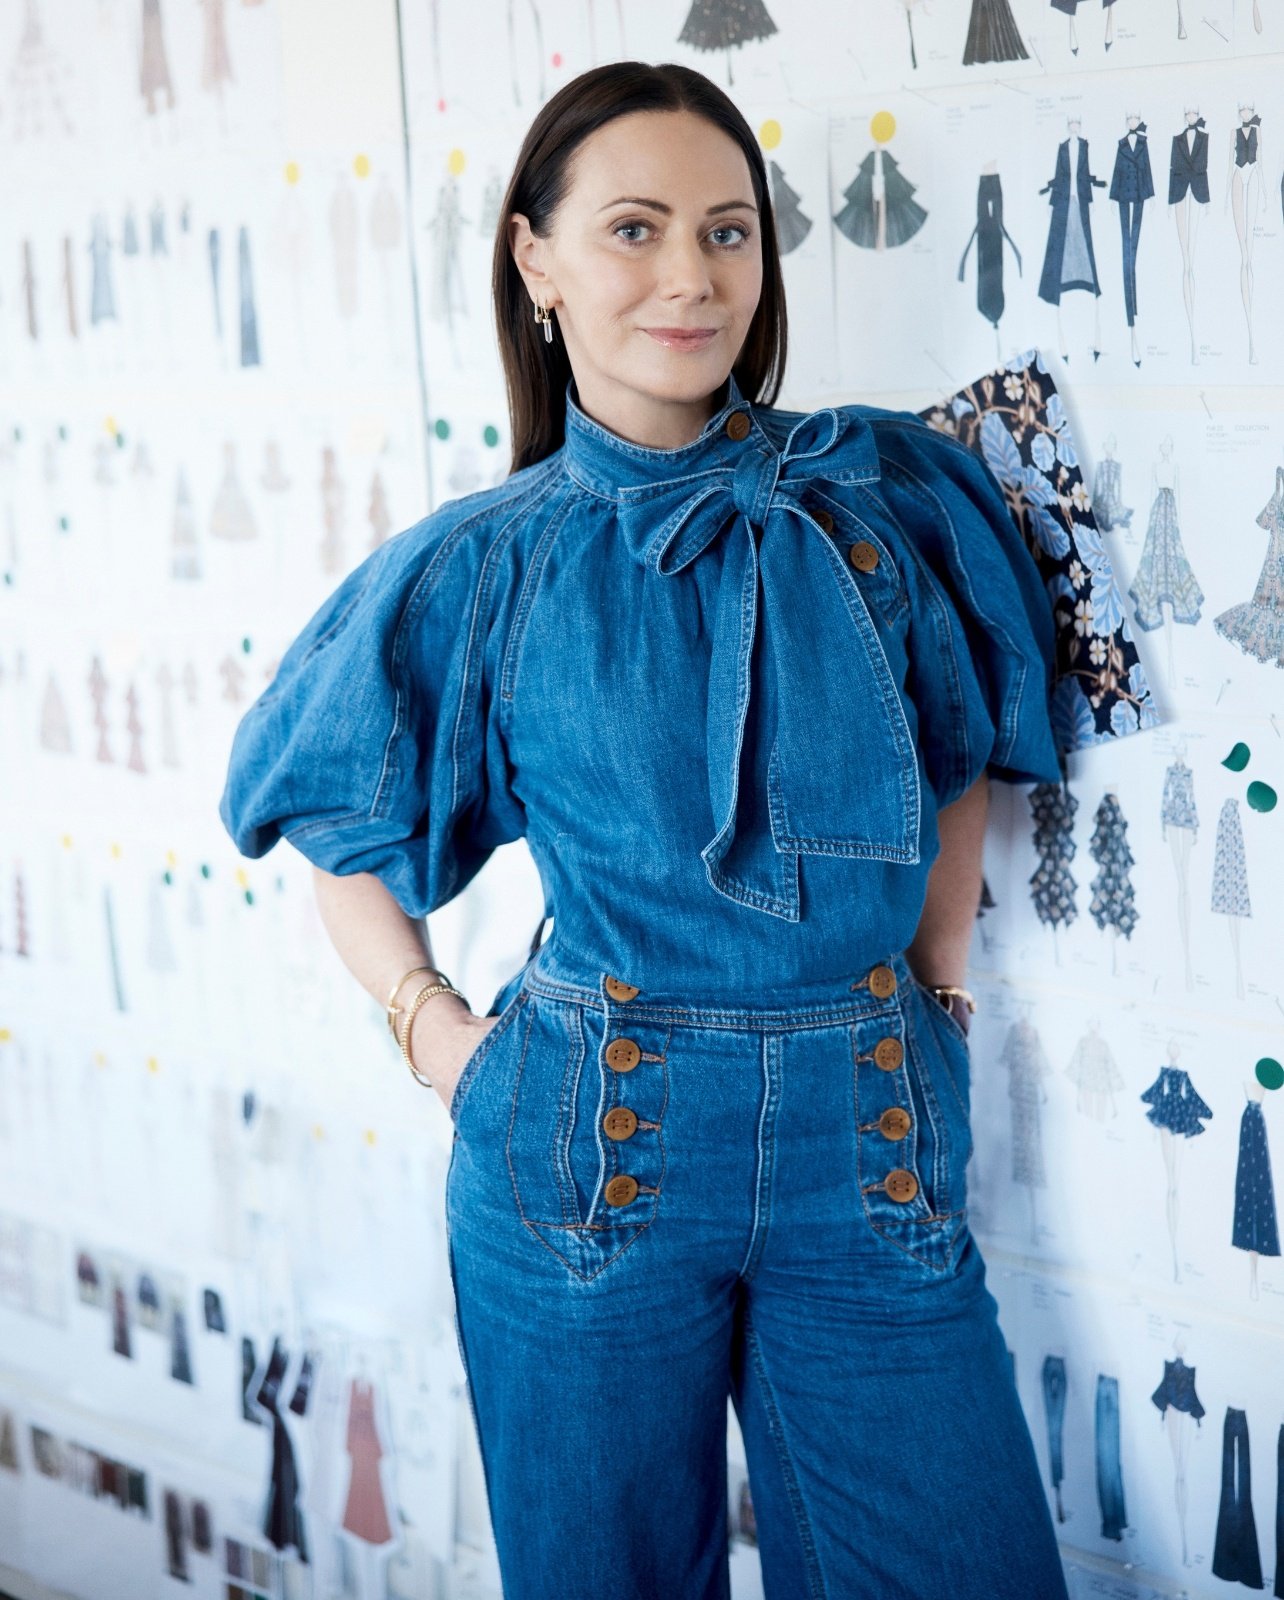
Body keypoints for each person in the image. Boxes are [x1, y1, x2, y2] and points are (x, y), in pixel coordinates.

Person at [218, 60, 1070, 1600]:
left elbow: (959, 761)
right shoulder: (488, 561)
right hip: (583, 1144)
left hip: (871, 1132)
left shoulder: (873, 500)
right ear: (536, 262)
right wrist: (438, 1037)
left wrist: (941, 988)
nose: (691, 275)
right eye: (635, 227)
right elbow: (329, 818)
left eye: (730, 232)